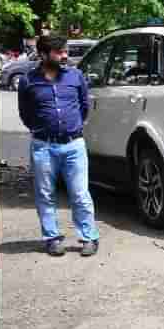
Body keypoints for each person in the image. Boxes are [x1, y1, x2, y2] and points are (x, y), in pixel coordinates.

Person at [17, 33, 101, 257]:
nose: (65, 56)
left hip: (74, 145)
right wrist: (43, 130)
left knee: (80, 193)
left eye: (65, 51)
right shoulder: (27, 81)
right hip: (43, 146)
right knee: (45, 194)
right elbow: (25, 114)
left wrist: (71, 128)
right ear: (44, 54)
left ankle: (89, 237)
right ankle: (52, 238)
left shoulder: (75, 76)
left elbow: (84, 107)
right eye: (59, 52)